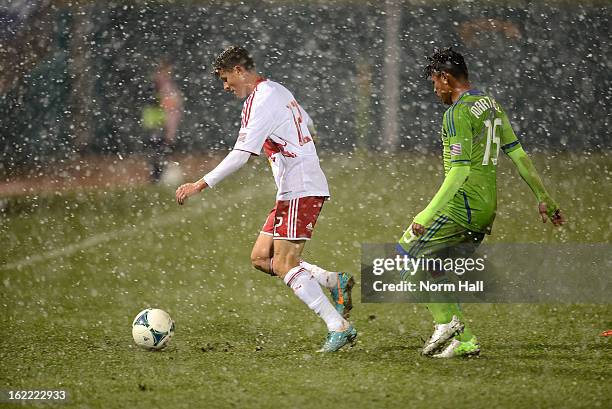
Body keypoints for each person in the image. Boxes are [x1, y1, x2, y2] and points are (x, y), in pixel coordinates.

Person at [175, 46, 356, 352]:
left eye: (225, 78)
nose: (225, 86)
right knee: (261, 258)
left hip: (300, 187)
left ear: (239, 71)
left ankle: (337, 326)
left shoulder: (261, 100)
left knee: (285, 263)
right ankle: (331, 281)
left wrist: (201, 184)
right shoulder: (277, 90)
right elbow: (309, 125)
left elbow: (242, 155)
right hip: (293, 188)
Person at [397, 47, 565, 358]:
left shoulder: (457, 114)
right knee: (433, 265)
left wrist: (427, 213)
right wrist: (544, 197)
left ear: (446, 78)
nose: (435, 91)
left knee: (405, 260)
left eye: (435, 83)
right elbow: (517, 153)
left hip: (462, 207)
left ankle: (446, 324)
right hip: (486, 209)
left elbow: (459, 170)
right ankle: (466, 340)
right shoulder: (489, 105)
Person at [142, 60, 183, 183]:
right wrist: (164, 102)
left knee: (163, 150)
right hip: (155, 123)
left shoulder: (166, 84)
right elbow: (151, 100)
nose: (169, 73)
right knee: (157, 152)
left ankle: (158, 176)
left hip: (163, 123)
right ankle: (156, 177)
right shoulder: (155, 84)